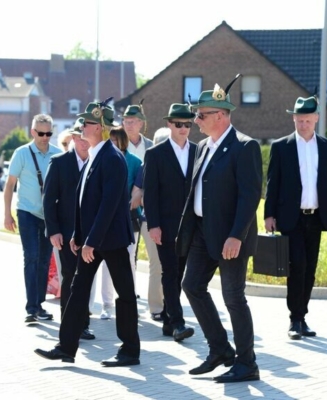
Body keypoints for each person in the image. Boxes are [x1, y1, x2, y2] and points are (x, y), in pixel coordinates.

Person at [34, 98, 140, 367]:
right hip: (91, 239)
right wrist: (78, 235)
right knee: (77, 290)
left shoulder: (112, 158)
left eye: (88, 123)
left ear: (101, 128)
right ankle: (66, 347)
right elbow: (83, 201)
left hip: (111, 240)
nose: (82, 126)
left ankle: (130, 350)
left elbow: (109, 205)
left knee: (125, 294)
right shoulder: (94, 155)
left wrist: (90, 240)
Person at [179, 75, 262, 383]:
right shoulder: (203, 147)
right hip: (203, 231)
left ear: (221, 115)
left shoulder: (244, 146)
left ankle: (247, 363)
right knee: (192, 286)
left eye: (201, 115)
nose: (196, 120)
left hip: (230, 236)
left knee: (233, 298)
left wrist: (236, 235)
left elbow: (250, 196)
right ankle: (220, 350)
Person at [264, 95, 327, 340]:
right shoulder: (281, 146)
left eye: (307, 120)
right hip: (291, 217)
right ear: (294, 120)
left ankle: (303, 316)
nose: (303, 124)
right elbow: (273, 183)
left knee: (310, 268)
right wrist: (269, 214)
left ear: (316, 119)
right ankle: (295, 319)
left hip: (317, 216)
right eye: (299, 120)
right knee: (296, 266)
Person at [143, 103, 197, 342]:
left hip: (191, 225)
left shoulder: (198, 151)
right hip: (165, 225)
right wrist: (153, 224)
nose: (183, 128)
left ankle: (167, 319)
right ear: (169, 124)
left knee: (180, 273)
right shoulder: (155, 153)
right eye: (178, 124)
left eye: (187, 124)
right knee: (170, 270)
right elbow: (150, 193)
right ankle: (177, 323)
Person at [3, 114, 62, 323]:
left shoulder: (58, 154)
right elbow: (10, 185)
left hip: (49, 215)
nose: (45, 137)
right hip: (26, 212)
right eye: (41, 133)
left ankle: (39, 305)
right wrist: (7, 213)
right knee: (31, 257)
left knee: (44, 260)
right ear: (33, 132)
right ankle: (31, 308)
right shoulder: (21, 153)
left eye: (49, 133)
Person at [43, 122, 95, 340]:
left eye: (86, 137)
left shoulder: (96, 161)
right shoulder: (59, 162)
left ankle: (83, 324)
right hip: (65, 233)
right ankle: (69, 324)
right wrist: (53, 230)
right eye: (79, 137)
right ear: (73, 139)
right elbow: (48, 199)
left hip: (90, 233)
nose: (84, 142)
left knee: (85, 279)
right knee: (70, 276)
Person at [122, 103, 164, 321]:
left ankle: (155, 302)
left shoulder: (151, 146)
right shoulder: (118, 144)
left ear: (141, 123)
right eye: (125, 121)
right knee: (129, 254)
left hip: (147, 208)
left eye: (132, 121)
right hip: (125, 208)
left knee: (151, 257)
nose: (128, 125)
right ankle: (129, 295)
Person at [98, 126, 141, 320]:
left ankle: (130, 303)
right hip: (106, 218)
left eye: (115, 140)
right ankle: (107, 304)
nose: (112, 143)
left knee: (129, 262)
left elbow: (138, 189)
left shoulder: (135, 162)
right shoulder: (101, 159)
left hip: (129, 218)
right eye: (110, 139)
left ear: (123, 141)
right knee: (107, 264)